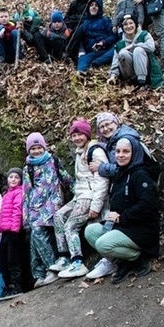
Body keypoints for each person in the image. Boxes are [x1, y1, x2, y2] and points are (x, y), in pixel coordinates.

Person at [84, 135, 160, 283]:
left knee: (102, 244)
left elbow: (147, 205)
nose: (120, 155)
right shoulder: (120, 173)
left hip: (141, 228)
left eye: (126, 151)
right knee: (90, 232)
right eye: (117, 151)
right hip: (123, 225)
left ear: (134, 153)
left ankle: (137, 257)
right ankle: (119, 261)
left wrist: (121, 217)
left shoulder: (140, 174)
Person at [49, 120, 109, 279]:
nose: (76, 138)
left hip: (89, 197)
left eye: (80, 134)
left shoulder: (94, 151)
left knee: (71, 226)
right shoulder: (79, 152)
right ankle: (64, 257)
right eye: (73, 135)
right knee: (58, 216)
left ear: (87, 135)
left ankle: (77, 262)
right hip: (80, 196)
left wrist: (96, 206)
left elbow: (102, 180)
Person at [22, 132, 73, 288]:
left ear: (44, 147)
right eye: (33, 148)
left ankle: (53, 267)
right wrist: (25, 215)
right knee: (34, 235)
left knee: (38, 232)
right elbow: (26, 192)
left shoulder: (54, 161)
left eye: (39, 147)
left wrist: (81, 193)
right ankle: (39, 273)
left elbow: (66, 178)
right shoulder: (27, 168)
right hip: (35, 206)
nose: (36, 151)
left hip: (53, 203)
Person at [107, 15, 163, 90]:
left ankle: (141, 82)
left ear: (135, 24)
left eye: (131, 23)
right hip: (130, 74)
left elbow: (151, 47)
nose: (128, 26)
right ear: (122, 28)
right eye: (125, 24)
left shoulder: (144, 35)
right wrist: (113, 76)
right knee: (122, 52)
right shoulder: (120, 44)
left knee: (138, 50)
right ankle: (134, 82)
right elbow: (115, 62)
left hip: (146, 71)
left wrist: (134, 46)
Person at [0, 168, 24, 296]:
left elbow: (17, 211)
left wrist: (15, 229)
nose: (13, 179)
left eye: (16, 177)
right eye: (11, 177)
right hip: (5, 231)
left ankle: (16, 285)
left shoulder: (19, 192)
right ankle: (8, 285)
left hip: (14, 231)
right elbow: (2, 213)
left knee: (13, 259)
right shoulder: (6, 194)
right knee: (2, 260)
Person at [75, 0, 118, 75]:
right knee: (82, 59)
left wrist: (103, 42)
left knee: (116, 50)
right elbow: (79, 39)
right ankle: (81, 74)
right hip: (91, 52)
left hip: (106, 50)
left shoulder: (106, 20)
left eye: (96, 5)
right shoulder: (84, 23)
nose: (93, 7)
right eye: (91, 5)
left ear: (100, 8)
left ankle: (97, 62)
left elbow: (113, 36)